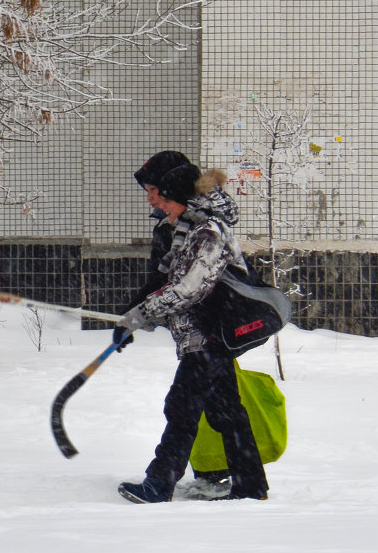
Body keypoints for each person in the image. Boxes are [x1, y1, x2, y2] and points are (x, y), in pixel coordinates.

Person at [115, 162, 269, 503]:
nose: (158, 205)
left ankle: (159, 483)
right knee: (227, 411)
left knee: (182, 407)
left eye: (164, 198)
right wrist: (131, 318)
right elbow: (164, 277)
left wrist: (142, 313)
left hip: (210, 334)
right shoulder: (186, 230)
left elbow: (188, 289)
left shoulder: (208, 233)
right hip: (203, 335)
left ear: (185, 199)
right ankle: (250, 485)